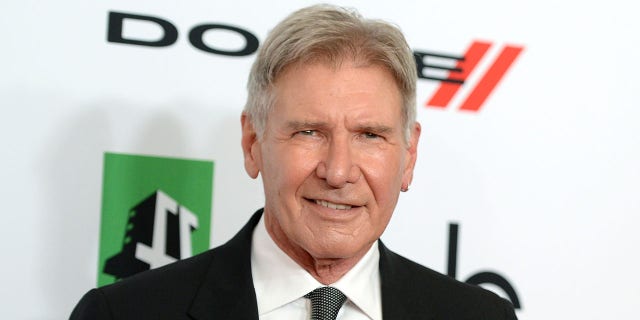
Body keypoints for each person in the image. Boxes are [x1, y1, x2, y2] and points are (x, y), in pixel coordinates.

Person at [70, 4, 517, 320]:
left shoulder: (481, 316)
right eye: (309, 132)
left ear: (409, 156)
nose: (338, 171)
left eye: (369, 135)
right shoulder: (124, 314)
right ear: (252, 143)